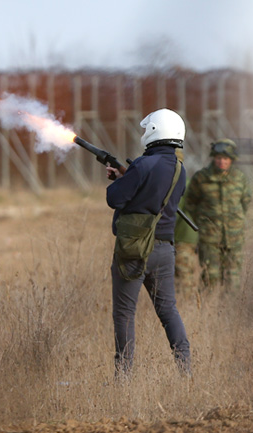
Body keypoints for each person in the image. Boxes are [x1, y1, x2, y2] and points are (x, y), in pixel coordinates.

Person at [106, 108, 191, 376]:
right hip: (165, 251)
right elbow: (154, 197)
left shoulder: (143, 165)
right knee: (168, 311)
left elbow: (114, 199)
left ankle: (123, 378)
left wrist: (121, 180)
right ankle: (186, 370)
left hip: (135, 250)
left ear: (154, 131)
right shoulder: (180, 169)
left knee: (124, 313)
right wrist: (127, 176)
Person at [181, 139, 251, 292]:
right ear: (214, 158)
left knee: (233, 279)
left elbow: (245, 202)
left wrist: (235, 222)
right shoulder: (201, 178)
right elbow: (190, 204)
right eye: (219, 158)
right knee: (210, 277)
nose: (222, 162)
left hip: (234, 238)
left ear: (231, 160)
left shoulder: (239, 179)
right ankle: (209, 310)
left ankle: (230, 311)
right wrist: (204, 223)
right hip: (209, 238)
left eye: (225, 159)